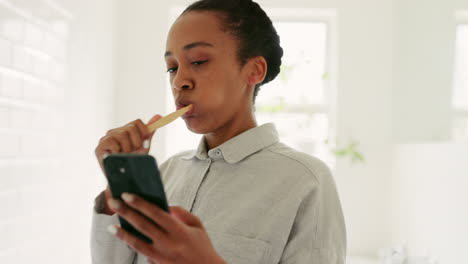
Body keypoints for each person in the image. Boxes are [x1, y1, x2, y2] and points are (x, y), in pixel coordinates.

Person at [91, 0, 346, 263]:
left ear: (254, 70)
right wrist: (117, 187)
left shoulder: (305, 180)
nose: (179, 82)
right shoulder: (166, 173)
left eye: (199, 61)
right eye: (172, 67)